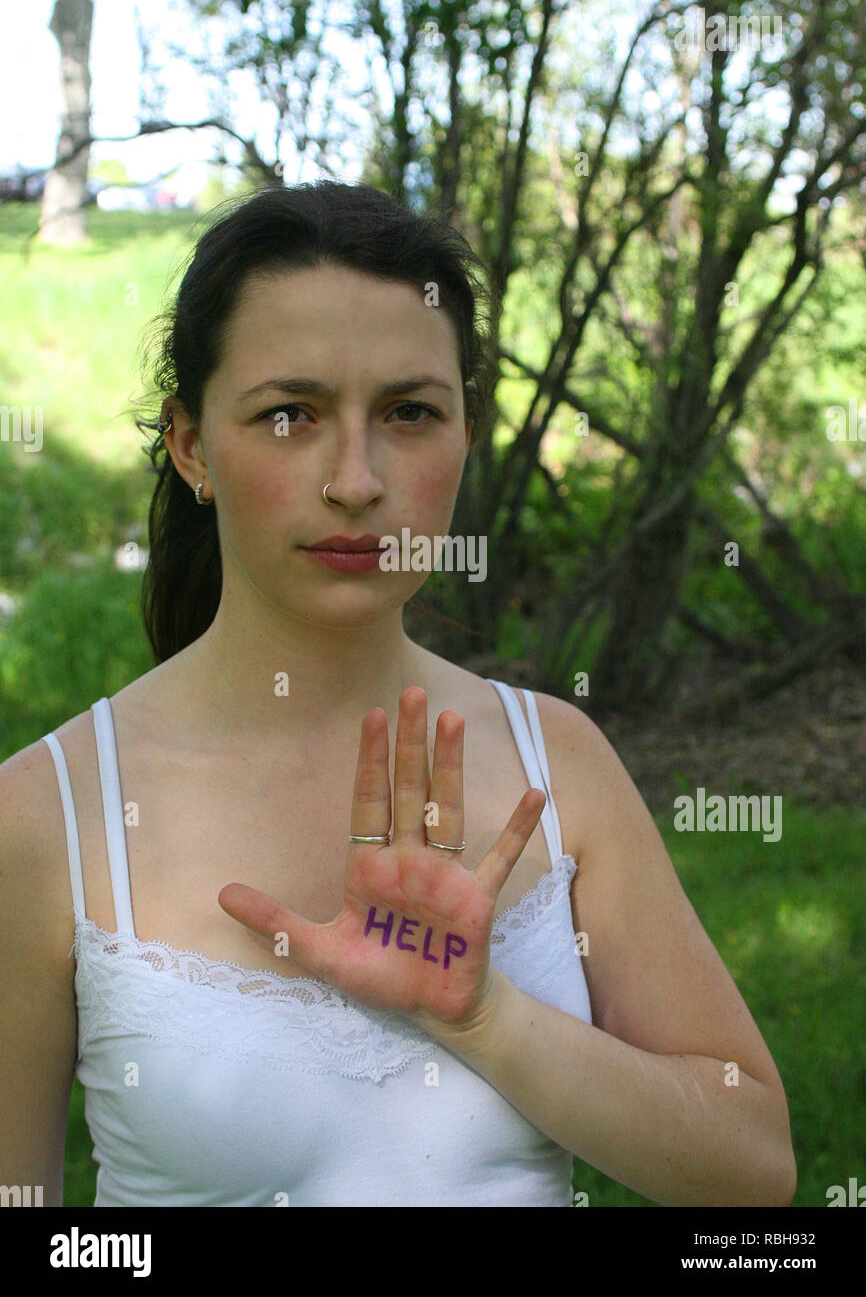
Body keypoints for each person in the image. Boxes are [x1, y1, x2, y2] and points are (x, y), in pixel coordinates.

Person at [0, 181, 796, 1207]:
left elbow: (752, 1171)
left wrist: (485, 1019)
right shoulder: (44, 815)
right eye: (289, 414)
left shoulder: (555, 761)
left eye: (409, 412)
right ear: (193, 446)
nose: (355, 479)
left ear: (465, 434)